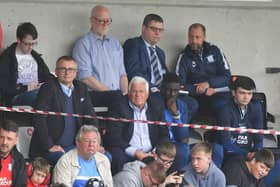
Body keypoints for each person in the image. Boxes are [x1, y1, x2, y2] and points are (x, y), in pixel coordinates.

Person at [29, 56, 98, 165]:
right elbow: (39, 118)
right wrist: (49, 145)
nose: (67, 72)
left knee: (104, 156)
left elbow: (91, 118)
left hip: (75, 146)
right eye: (63, 69)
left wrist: (95, 143)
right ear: (56, 71)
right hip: (52, 147)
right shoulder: (48, 88)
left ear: (76, 73)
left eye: (71, 69)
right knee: (66, 161)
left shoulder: (81, 88)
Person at [104, 76, 170, 174]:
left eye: (141, 91)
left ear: (147, 94)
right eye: (134, 91)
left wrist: (156, 151)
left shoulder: (156, 106)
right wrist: (135, 152)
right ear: (129, 93)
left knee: (174, 152)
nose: (137, 95)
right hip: (127, 150)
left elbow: (164, 133)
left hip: (153, 151)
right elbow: (113, 136)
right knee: (116, 155)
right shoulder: (118, 106)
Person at [72, 5, 128, 107]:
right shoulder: (83, 44)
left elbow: (122, 74)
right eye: (101, 21)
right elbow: (85, 78)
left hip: (117, 94)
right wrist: (112, 93)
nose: (105, 25)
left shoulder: (115, 44)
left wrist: (125, 94)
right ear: (91, 21)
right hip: (95, 94)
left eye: (107, 21)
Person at [177, 23, 231, 115]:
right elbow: (179, 84)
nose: (194, 40)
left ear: (204, 37)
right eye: (191, 37)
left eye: (197, 37)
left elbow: (227, 77)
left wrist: (209, 84)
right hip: (195, 96)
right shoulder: (184, 57)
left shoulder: (215, 51)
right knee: (187, 104)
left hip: (216, 93)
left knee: (223, 104)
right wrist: (198, 89)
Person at [0, 22, 53, 106]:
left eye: (33, 44)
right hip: (17, 96)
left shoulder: (36, 57)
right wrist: (26, 88)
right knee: (41, 95)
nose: (30, 47)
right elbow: (4, 85)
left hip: (38, 91)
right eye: (27, 44)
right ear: (18, 40)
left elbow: (47, 76)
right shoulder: (7, 57)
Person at [217, 76, 263, 160]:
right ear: (234, 93)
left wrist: (257, 151)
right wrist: (246, 154)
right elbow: (226, 142)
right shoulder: (225, 110)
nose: (246, 97)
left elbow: (259, 135)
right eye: (242, 93)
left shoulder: (256, 107)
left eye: (249, 93)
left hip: (252, 152)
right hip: (232, 154)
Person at [123, 13, 167, 91]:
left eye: (160, 30)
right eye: (153, 29)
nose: (157, 33)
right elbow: (133, 72)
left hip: (164, 90)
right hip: (145, 91)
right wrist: (153, 88)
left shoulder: (160, 52)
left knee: (189, 102)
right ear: (143, 28)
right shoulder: (133, 44)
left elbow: (165, 74)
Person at [160, 73, 190, 171]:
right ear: (162, 88)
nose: (172, 94)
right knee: (181, 151)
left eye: (176, 91)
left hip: (176, 143)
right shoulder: (156, 103)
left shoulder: (182, 106)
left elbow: (184, 138)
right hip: (161, 142)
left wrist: (176, 115)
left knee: (183, 149)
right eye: (169, 90)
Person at [0, 120, 27, 186]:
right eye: (1, 137)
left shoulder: (19, 160)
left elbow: (21, 184)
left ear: (15, 141)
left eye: (9, 139)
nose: (4, 142)